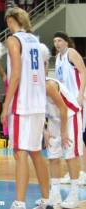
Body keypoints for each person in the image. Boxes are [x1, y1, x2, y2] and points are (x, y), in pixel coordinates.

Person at [1, 7, 52, 209]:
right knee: (36, 152)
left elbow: (16, 75)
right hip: (39, 103)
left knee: (20, 152)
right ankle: (47, 200)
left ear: (11, 21)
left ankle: (19, 202)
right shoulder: (35, 41)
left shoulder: (14, 40)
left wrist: (5, 105)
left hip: (22, 104)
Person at [53, 31, 86, 185]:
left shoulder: (71, 53)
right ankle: (74, 171)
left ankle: (83, 172)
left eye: (60, 40)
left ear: (66, 42)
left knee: (81, 136)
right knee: (72, 138)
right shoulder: (58, 59)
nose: (57, 44)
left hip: (80, 100)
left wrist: (81, 94)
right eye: (55, 41)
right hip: (69, 102)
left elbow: (84, 71)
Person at [44, 77, 82, 208]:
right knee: (52, 155)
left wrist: (64, 132)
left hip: (70, 116)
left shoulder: (49, 85)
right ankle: (55, 194)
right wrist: (45, 129)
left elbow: (63, 109)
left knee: (70, 154)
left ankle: (74, 194)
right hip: (54, 119)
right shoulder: (30, 88)